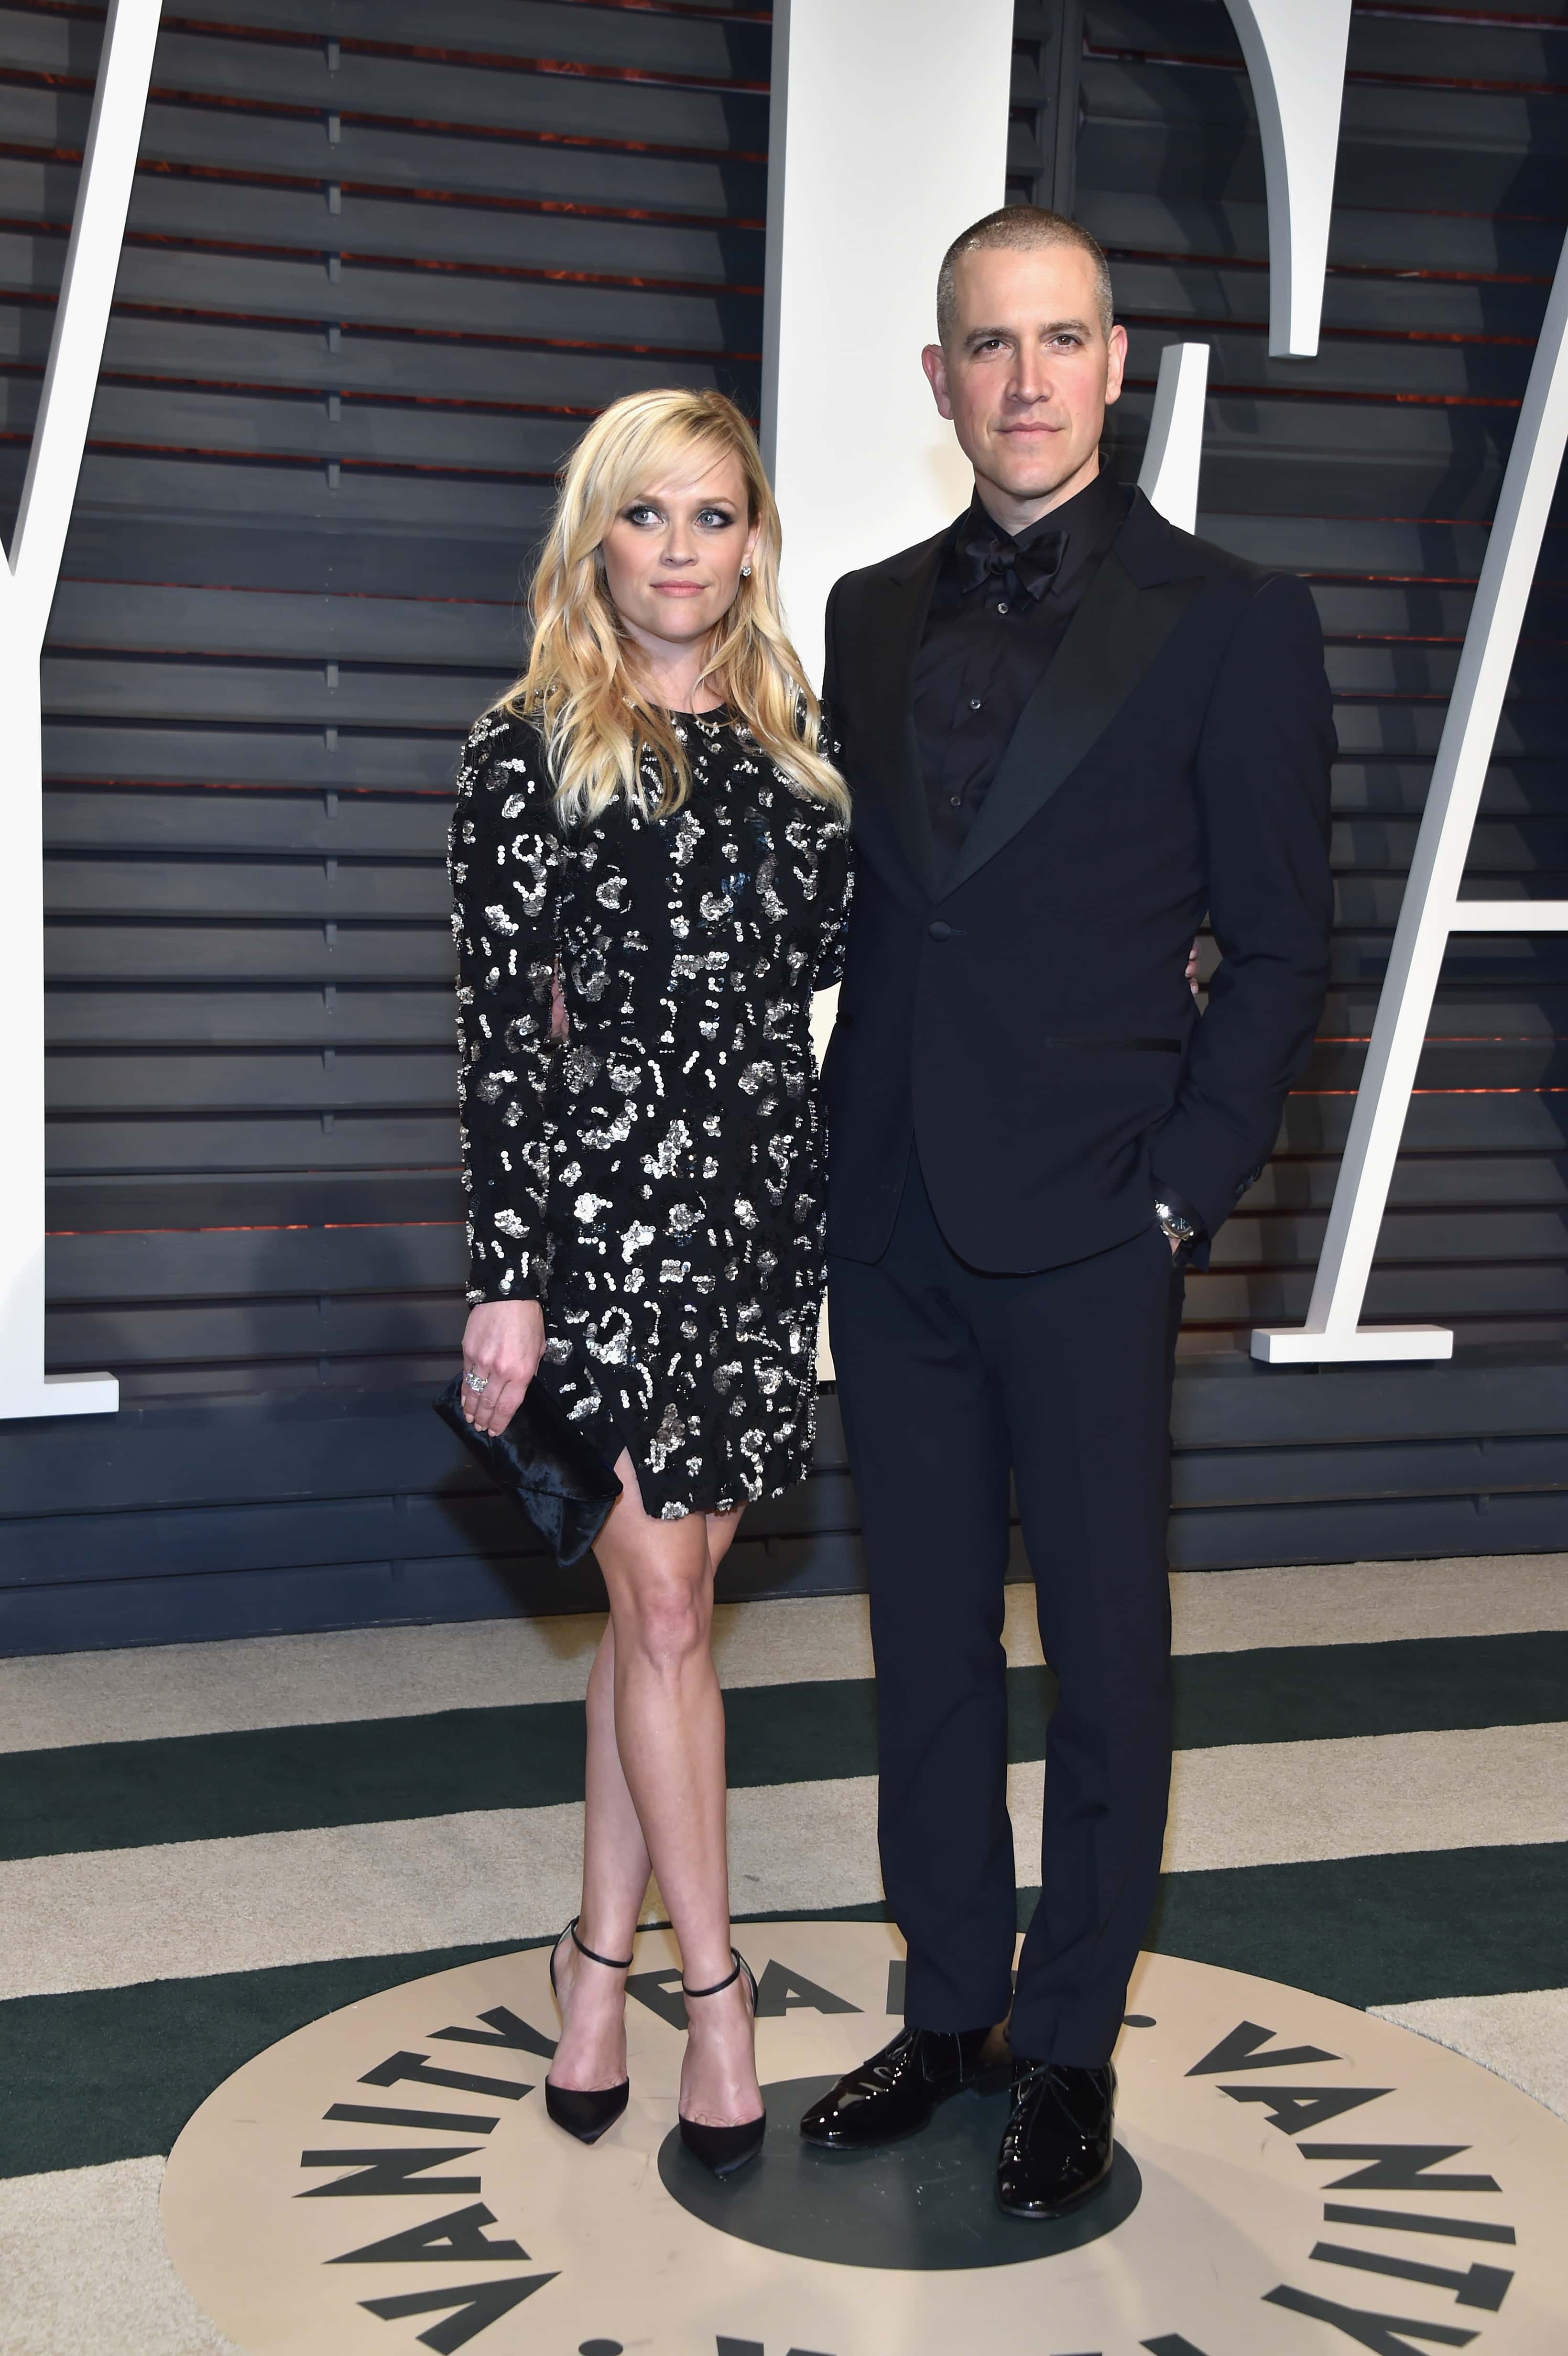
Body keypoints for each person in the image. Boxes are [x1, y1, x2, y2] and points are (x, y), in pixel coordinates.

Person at [799, 207, 1334, 2217]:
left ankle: (1070, 2036)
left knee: (1104, 1652)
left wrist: (1186, 1190)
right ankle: (948, 2005)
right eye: (986, 345)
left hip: (1099, 1220)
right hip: (895, 1212)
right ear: (938, 380)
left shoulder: (1231, 617)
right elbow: (863, 902)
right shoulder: (858, 613)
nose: (1024, 378)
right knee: (922, 1641)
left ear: (1117, 366)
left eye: (1060, 339)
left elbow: (1281, 945)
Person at [449, 387, 851, 2178]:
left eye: (713, 516)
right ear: (593, 538)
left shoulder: (800, 752)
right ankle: (720, 1999)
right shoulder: (523, 751)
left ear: (753, 540)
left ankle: (590, 1968)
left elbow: (853, 978)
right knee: (672, 1619)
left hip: (760, 1239)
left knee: (650, 1622)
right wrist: (509, 1284)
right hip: (599, 1247)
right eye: (647, 516)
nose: (680, 550)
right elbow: (498, 1053)